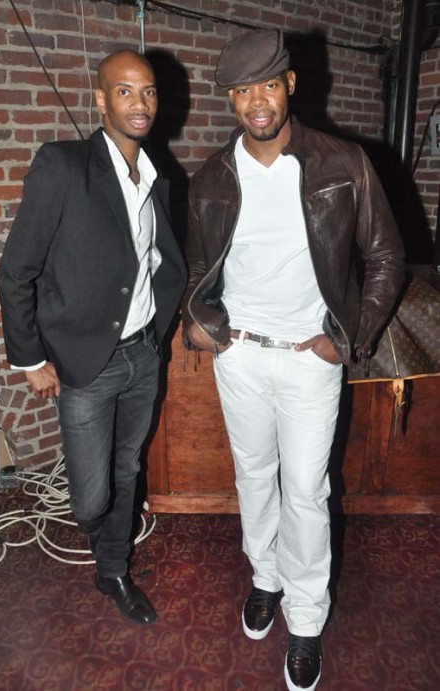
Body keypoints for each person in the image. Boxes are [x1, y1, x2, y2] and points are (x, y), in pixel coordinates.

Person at [182, 30, 405, 690]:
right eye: (242, 90)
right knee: (254, 477)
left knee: (306, 490)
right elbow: (199, 266)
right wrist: (201, 323)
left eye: (268, 84)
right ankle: (266, 577)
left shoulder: (342, 162)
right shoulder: (211, 178)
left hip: (311, 358)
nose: (257, 101)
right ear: (230, 99)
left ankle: (306, 616)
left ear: (291, 86)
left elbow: (386, 255)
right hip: (241, 357)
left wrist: (351, 334)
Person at [0, 49, 186, 625]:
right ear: (101, 100)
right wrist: (30, 359)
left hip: (143, 357)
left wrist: (160, 330)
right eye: (125, 91)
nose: (140, 103)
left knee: (128, 470)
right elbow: (17, 271)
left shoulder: (158, 177)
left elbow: (157, 262)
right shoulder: (63, 166)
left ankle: (113, 570)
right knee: (90, 499)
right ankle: (102, 535)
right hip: (86, 366)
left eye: (148, 91)